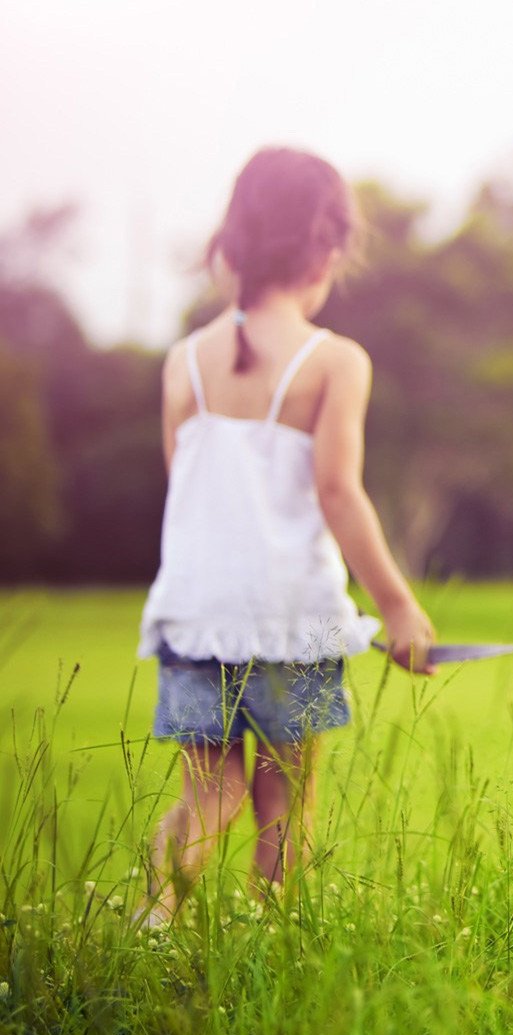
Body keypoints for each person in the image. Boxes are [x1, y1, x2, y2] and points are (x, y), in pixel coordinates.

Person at [139, 147, 436, 924]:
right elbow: (338, 492)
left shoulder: (183, 363)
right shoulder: (334, 361)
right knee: (285, 803)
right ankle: (275, 945)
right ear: (328, 252)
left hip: (197, 615)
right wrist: (398, 608)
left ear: (229, 248)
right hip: (291, 621)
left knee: (210, 795)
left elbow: (186, 491)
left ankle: (152, 924)